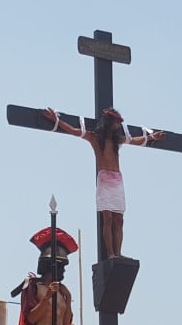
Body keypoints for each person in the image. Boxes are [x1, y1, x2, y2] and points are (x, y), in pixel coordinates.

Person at [42, 107, 164, 258]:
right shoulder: (94, 137)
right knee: (108, 218)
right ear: (109, 122)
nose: (118, 126)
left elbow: (134, 140)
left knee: (119, 219)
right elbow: (73, 130)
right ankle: (111, 253)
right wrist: (56, 120)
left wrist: (151, 137)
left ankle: (118, 253)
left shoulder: (116, 140)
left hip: (117, 180)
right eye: (116, 122)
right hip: (105, 179)